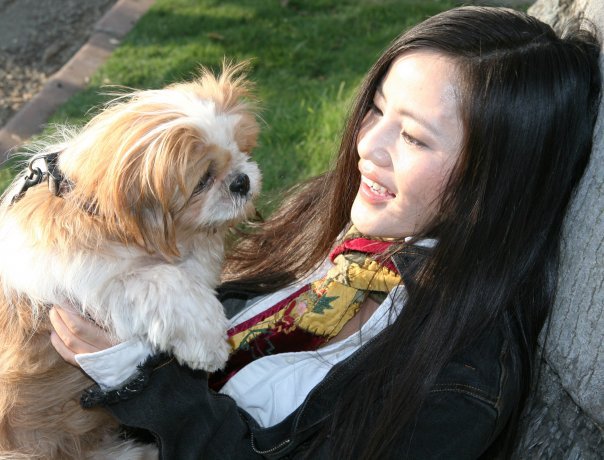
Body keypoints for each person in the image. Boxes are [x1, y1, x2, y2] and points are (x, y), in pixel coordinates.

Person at [49, 6, 602, 459]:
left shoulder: (456, 390)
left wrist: (137, 377)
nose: (367, 145)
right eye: (377, 108)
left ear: (496, 178)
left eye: (413, 138)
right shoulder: (335, 220)